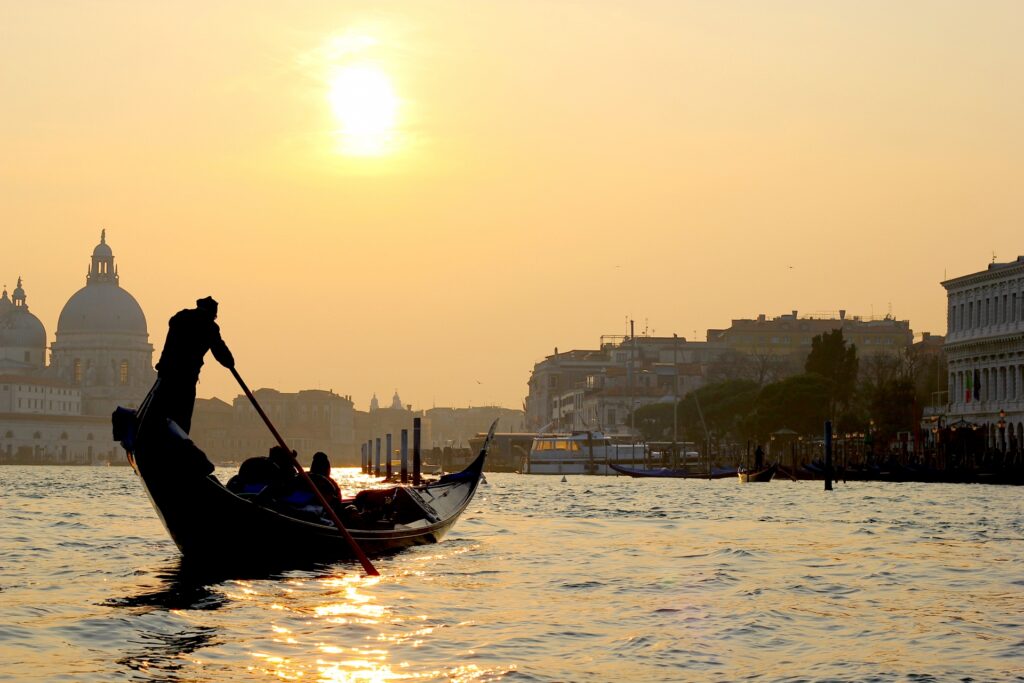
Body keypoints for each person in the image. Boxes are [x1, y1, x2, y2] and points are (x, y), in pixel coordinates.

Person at [154, 296, 234, 433]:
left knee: (158, 412)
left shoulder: (180, 317)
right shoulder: (209, 327)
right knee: (182, 418)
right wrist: (230, 363)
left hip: (166, 373)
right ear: (212, 314)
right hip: (186, 378)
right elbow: (220, 352)